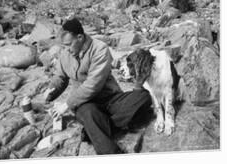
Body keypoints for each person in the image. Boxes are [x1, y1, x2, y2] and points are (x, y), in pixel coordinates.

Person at [43, 18, 151, 155]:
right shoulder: (65, 54)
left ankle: (97, 128)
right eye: (64, 46)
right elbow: (60, 77)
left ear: (80, 37)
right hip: (86, 103)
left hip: (111, 99)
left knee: (143, 97)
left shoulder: (100, 49)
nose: (66, 50)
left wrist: (66, 105)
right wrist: (51, 90)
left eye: (69, 45)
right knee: (88, 113)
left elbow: (93, 84)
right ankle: (111, 153)